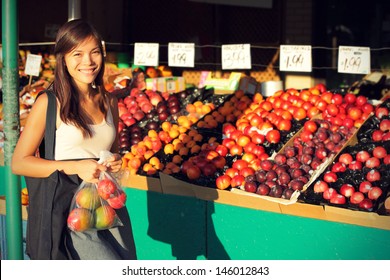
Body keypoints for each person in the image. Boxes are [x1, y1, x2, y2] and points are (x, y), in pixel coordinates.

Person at [11, 19, 137, 260]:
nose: (88, 62)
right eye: (77, 54)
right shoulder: (50, 102)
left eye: (94, 53)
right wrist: (74, 166)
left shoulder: (109, 101)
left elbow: (111, 149)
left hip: (108, 208)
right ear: (63, 58)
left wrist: (116, 160)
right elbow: (19, 162)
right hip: (68, 212)